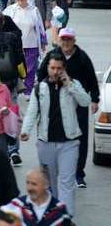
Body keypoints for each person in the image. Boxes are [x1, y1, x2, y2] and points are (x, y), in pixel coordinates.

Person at [20, 53, 90, 217]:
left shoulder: (73, 85)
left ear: (64, 69)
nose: (56, 71)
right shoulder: (40, 88)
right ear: (48, 68)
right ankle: (54, 215)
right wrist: (25, 131)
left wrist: (70, 84)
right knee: (49, 184)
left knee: (67, 182)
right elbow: (32, 112)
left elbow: (85, 101)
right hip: (46, 142)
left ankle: (66, 216)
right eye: (53, 68)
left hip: (69, 142)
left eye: (59, 68)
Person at [37, 28, 99, 188]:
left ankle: (79, 173)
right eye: (63, 39)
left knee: (81, 138)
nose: (65, 42)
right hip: (57, 103)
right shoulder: (52, 55)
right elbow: (41, 73)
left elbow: (92, 78)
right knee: (56, 138)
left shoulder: (82, 57)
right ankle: (55, 172)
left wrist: (94, 99)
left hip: (78, 102)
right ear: (59, 40)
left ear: (74, 41)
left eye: (69, 39)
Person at [4, 0, 47, 95]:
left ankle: (28, 90)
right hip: (15, 45)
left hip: (31, 44)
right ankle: (14, 89)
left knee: (30, 69)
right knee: (15, 68)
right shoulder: (10, 10)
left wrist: (43, 42)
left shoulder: (34, 10)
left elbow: (40, 27)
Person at [7, 168, 72, 226]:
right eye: (27, 183)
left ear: (46, 185)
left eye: (34, 184)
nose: (29, 188)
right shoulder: (16, 205)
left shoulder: (60, 210)